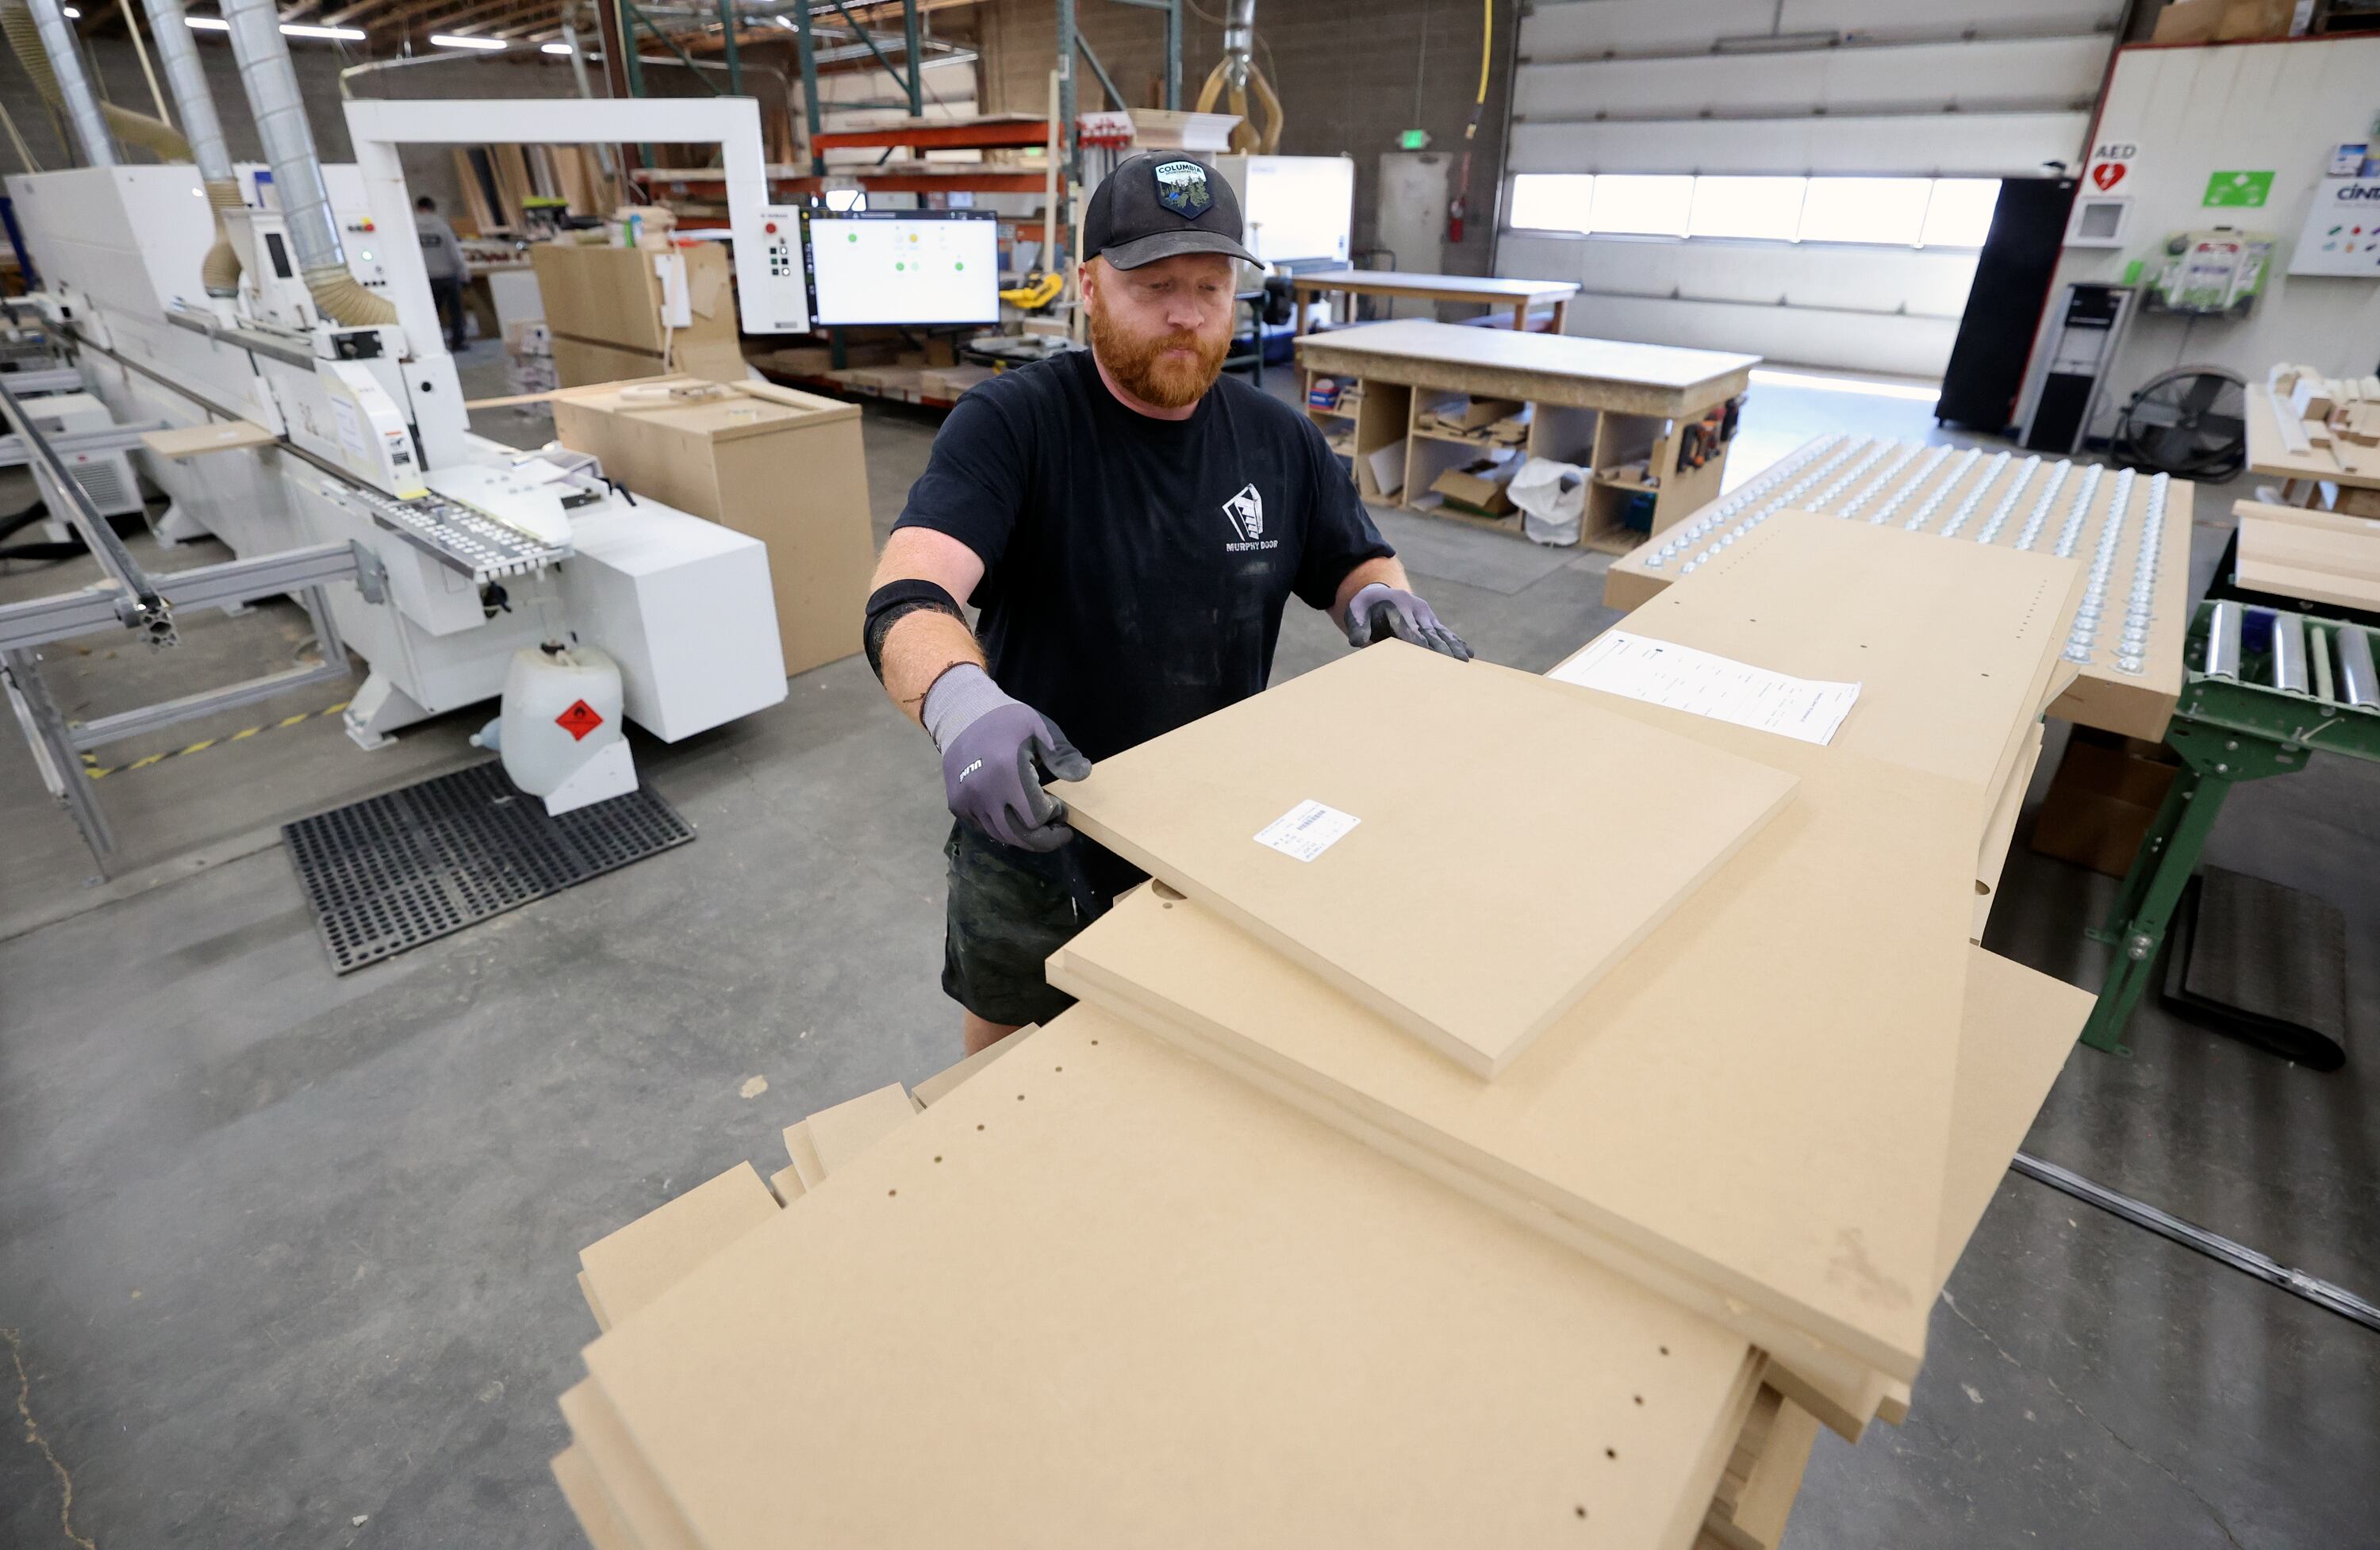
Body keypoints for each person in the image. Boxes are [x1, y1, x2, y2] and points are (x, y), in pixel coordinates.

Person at [864, 152, 1472, 1057]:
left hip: (1213, 823)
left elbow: (1358, 559)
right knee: (1008, 1053)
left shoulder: (1278, 437)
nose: (1186, 313)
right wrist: (962, 706)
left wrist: (1385, 602)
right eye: (1153, 285)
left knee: (1189, 1046)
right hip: (1036, 818)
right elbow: (907, 591)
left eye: (1210, 285)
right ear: (1089, 287)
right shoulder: (1015, 425)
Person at [414, 195, 470, 353]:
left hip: (427, 277)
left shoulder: (412, 229)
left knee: (431, 312)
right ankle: (458, 342)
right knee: (456, 312)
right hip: (448, 275)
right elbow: (454, 253)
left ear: (418, 208)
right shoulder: (443, 227)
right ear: (433, 208)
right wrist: (463, 271)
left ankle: (431, 343)